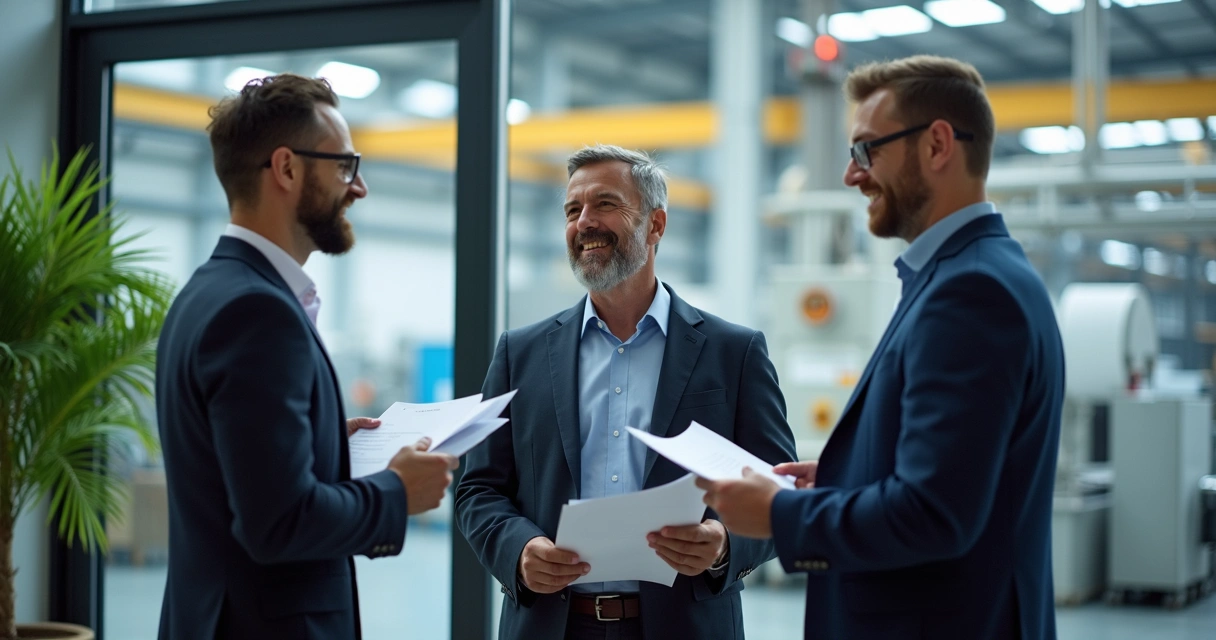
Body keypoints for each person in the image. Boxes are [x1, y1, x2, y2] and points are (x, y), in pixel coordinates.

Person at [697, 55, 1065, 640]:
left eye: (867, 150)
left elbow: (934, 514)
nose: (852, 175)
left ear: (937, 145)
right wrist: (849, 475)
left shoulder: (969, 293)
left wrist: (776, 514)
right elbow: (955, 476)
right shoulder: (969, 274)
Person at [155, 73, 457, 640]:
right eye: (345, 166)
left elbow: (231, 476)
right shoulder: (257, 313)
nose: (358, 187)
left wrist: (322, 443)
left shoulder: (205, 292)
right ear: (287, 168)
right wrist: (397, 490)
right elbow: (277, 525)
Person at [455, 144, 796, 640]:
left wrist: (723, 543)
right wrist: (519, 550)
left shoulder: (734, 352)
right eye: (573, 210)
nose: (584, 222)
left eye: (605, 204)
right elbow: (478, 488)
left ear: (655, 225)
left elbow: (779, 487)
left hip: (687, 626)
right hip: (552, 625)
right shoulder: (520, 353)